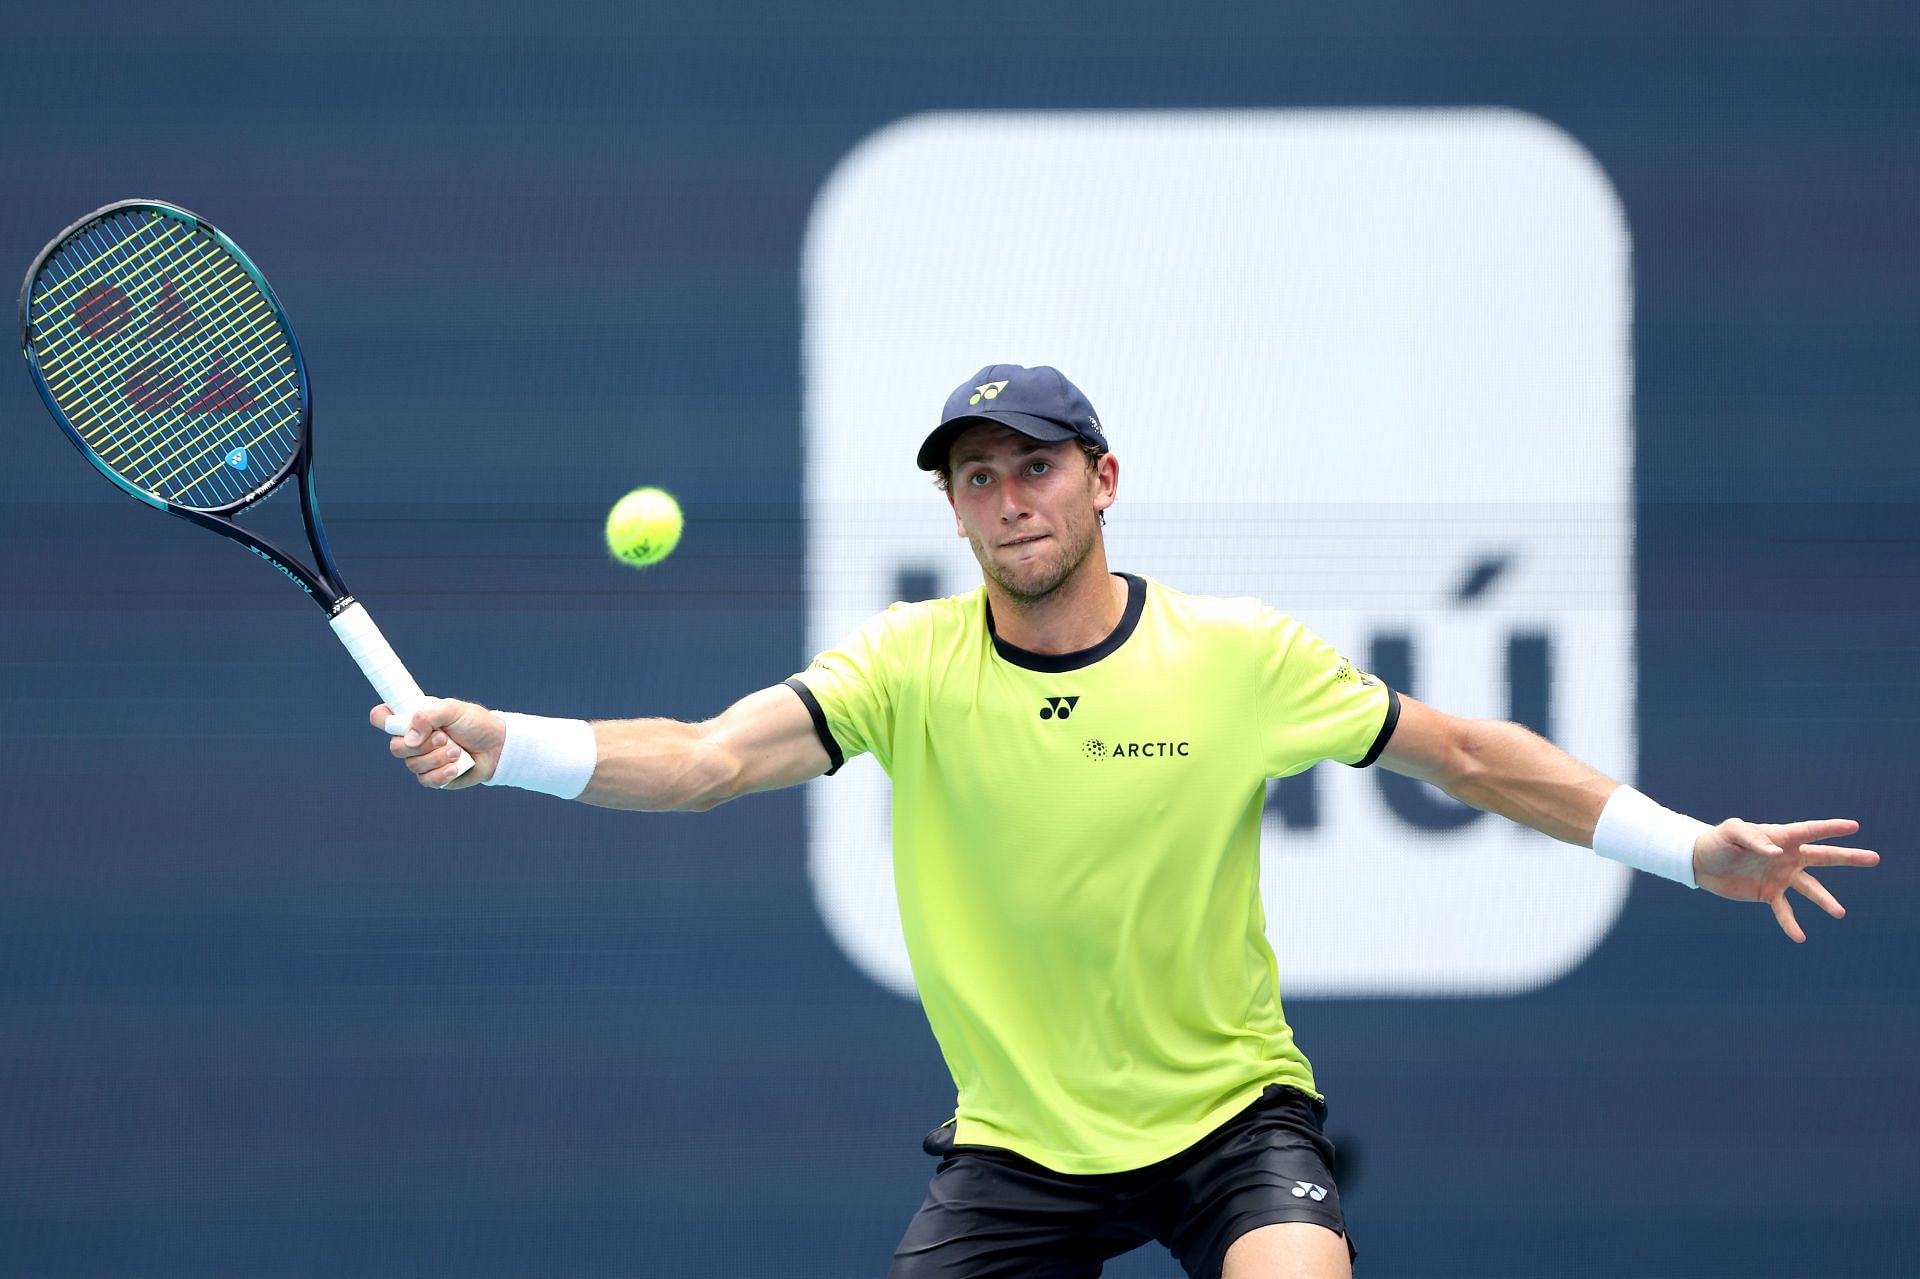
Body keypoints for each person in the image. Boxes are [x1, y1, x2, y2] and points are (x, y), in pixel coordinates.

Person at [373, 364, 1878, 1279]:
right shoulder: (905, 664)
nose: (1009, 497)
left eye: (1035, 466)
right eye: (979, 479)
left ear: (1103, 481)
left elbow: (1471, 754)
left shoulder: (1236, 659)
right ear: (957, 514)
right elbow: (702, 759)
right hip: (1015, 1150)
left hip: (1231, 1121)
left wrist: (1688, 847)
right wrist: (501, 743)